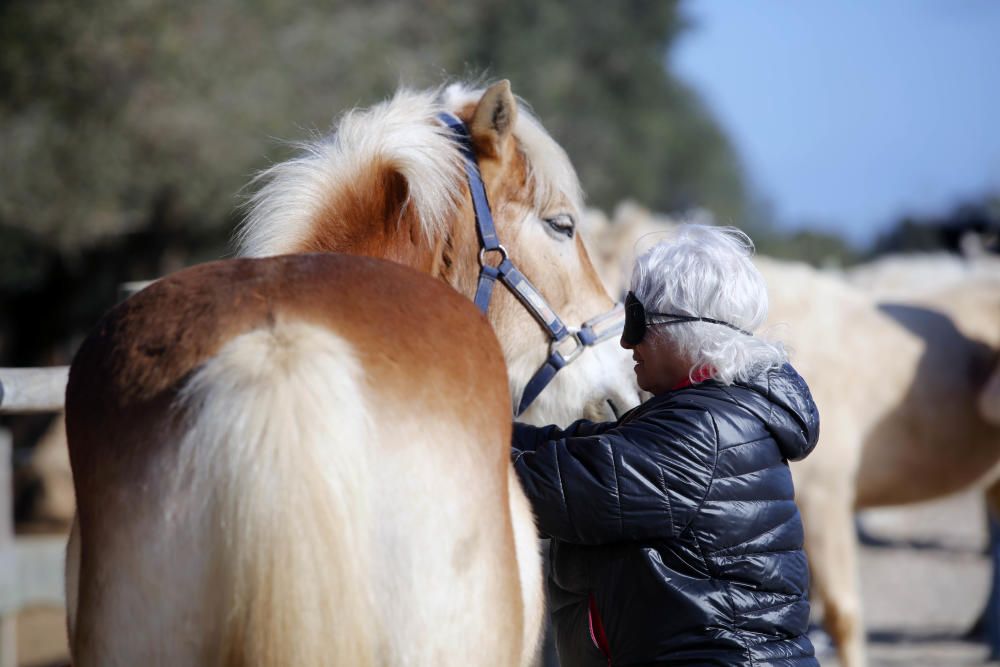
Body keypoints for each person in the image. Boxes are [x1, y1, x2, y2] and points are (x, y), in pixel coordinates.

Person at [512, 225, 820, 666]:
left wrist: (454, 447)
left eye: (638, 321)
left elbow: (556, 487)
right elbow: (578, 449)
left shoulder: (703, 433)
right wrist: (483, 426)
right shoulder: (717, 416)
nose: (626, 342)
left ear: (691, 330)